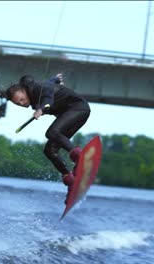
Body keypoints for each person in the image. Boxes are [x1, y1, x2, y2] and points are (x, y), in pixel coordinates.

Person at [6, 73, 91, 202]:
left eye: (21, 100)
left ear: (24, 91)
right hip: (72, 113)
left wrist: (41, 109)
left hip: (78, 108)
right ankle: (71, 181)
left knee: (52, 132)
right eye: (18, 104)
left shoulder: (39, 89)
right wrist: (55, 79)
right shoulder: (34, 90)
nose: (22, 104)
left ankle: (80, 157)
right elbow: (49, 83)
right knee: (49, 150)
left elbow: (47, 97)